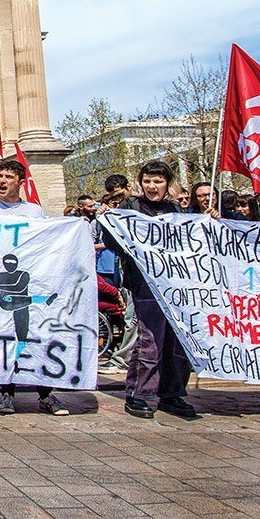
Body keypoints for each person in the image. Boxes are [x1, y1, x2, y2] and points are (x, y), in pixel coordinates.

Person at [104, 159, 198, 420]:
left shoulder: (175, 210)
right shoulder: (130, 207)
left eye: (158, 181)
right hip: (146, 285)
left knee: (177, 342)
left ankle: (172, 393)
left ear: (168, 183)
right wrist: (108, 223)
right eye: (147, 181)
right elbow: (111, 241)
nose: (152, 186)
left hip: (177, 286)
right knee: (150, 341)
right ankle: (140, 394)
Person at [0, 158, 69, 416]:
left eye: (8, 177)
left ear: (21, 182)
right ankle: (7, 393)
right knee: (3, 340)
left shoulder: (35, 213)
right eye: (0, 177)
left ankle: (46, 394)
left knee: (31, 338)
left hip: (25, 287)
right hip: (2, 296)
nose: (2, 181)